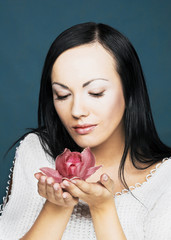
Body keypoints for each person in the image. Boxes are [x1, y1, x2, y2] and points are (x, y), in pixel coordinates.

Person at [0, 22, 171, 240]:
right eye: (62, 95)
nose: (77, 110)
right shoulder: (35, 152)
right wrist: (57, 206)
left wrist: (102, 208)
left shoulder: (166, 180)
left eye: (96, 92)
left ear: (129, 92)